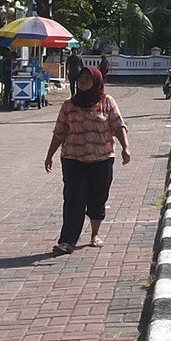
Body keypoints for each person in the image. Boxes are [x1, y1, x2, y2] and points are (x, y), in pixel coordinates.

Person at [44, 67, 130, 254]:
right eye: (80, 77)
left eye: (87, 78)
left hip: (102, 158)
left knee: (97, 197)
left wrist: (126, 148)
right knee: (74, 199)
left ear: (96, 81)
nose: (82, 80)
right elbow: (59, 132)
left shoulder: (107, 102)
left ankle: (94, 234)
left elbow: (118, 125)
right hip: (73, 158)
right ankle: (67, 241)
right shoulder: (68, 105)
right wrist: (49, 155)